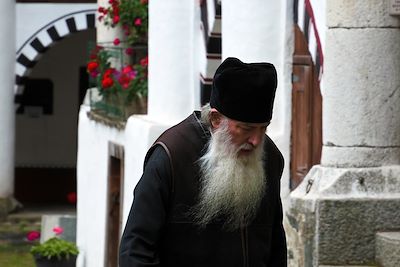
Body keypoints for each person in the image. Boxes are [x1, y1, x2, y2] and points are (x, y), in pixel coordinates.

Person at [119, 57, 287, 267]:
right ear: (216, 120)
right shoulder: (172, 155)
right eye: (246, 129)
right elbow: (135, 251)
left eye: (263, 128)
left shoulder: (269, 157)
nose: (256, 140)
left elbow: (275, 246)